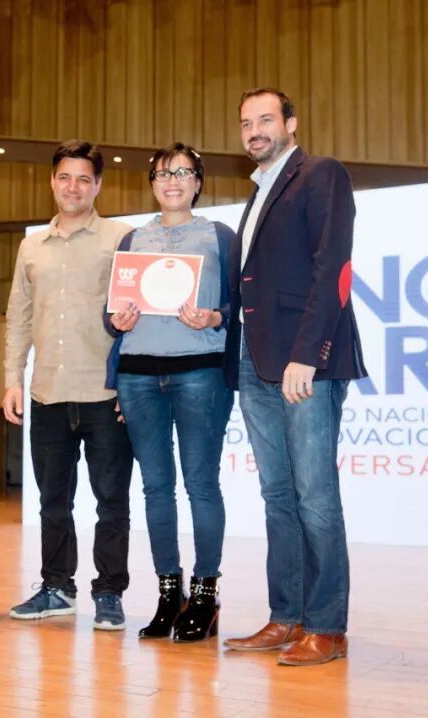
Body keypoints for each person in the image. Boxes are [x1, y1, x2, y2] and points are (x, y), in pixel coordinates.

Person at [222, 88, 367, 666]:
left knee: (315, 497)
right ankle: (287, 616)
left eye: (265, 119)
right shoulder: (257, 192)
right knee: (278, 496)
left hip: (304, 364)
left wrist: (308, 354)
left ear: (291, 124)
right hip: (255, 362)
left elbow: (333, 267)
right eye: (246, 123)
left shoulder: (320, 174)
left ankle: (327, 626)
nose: (254, 130)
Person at [106, 143, 235, 643]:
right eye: (163, 173)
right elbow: (111, 313)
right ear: (152, 183)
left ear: (198, 181)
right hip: (138, 374)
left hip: (200, 372)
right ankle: (168, 593)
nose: (172, 180)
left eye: (183, 172)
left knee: (201, 484)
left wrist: (214, 316)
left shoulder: (218, 236)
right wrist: (116, 320)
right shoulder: (132, 239)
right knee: (155, 487)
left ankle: (205, 594)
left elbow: (239, 305)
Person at [3, 140, 134, 631]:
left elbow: (138, 316)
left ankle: (109, 592)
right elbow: (18, 317)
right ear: (52, 182)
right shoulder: (31, 246)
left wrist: (131, 385)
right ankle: (56, 587)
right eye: (65, 177)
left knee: (111, 502)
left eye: (83, 179)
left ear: (97, 185)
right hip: (47, 394)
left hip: (105, 394)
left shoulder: (122, 239)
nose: (73, 187)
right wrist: (12, 379)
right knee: (52, 502)